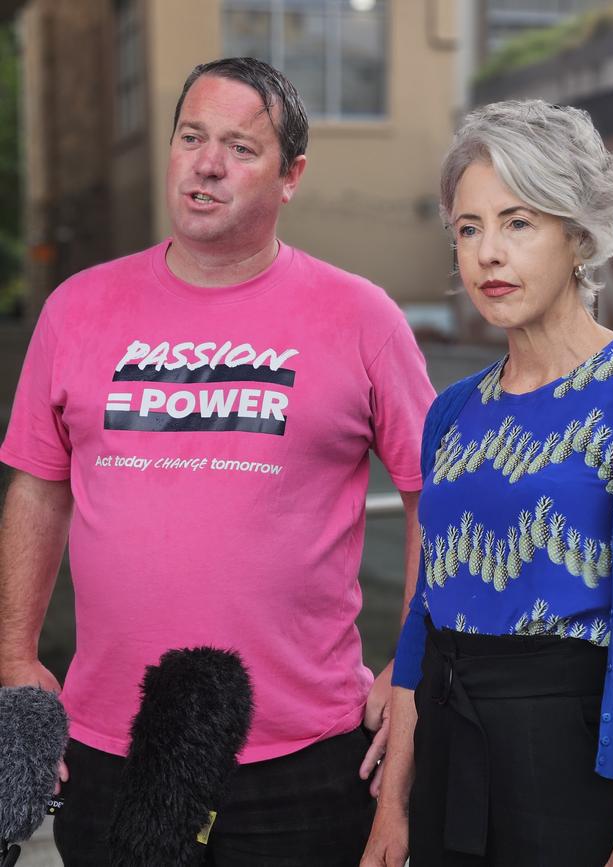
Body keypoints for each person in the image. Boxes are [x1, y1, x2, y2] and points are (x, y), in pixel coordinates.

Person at [0, 57, 434, 866]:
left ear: (291, 175)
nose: (205, 164)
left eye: (239, 146)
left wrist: (411, 667)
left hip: (307, 755)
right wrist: (17, 656)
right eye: (191, 137)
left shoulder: (361, 315)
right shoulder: (77, 308)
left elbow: (432, 493)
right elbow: (38, 485)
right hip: (116, 745)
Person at [361, 99, 613, 867]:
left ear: (578, 232)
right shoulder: (451, 412)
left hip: (573, 764)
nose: (489, 253)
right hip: (452, 751)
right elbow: (423, 615)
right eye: (468, 227)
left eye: (518, 223)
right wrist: (393, 806)